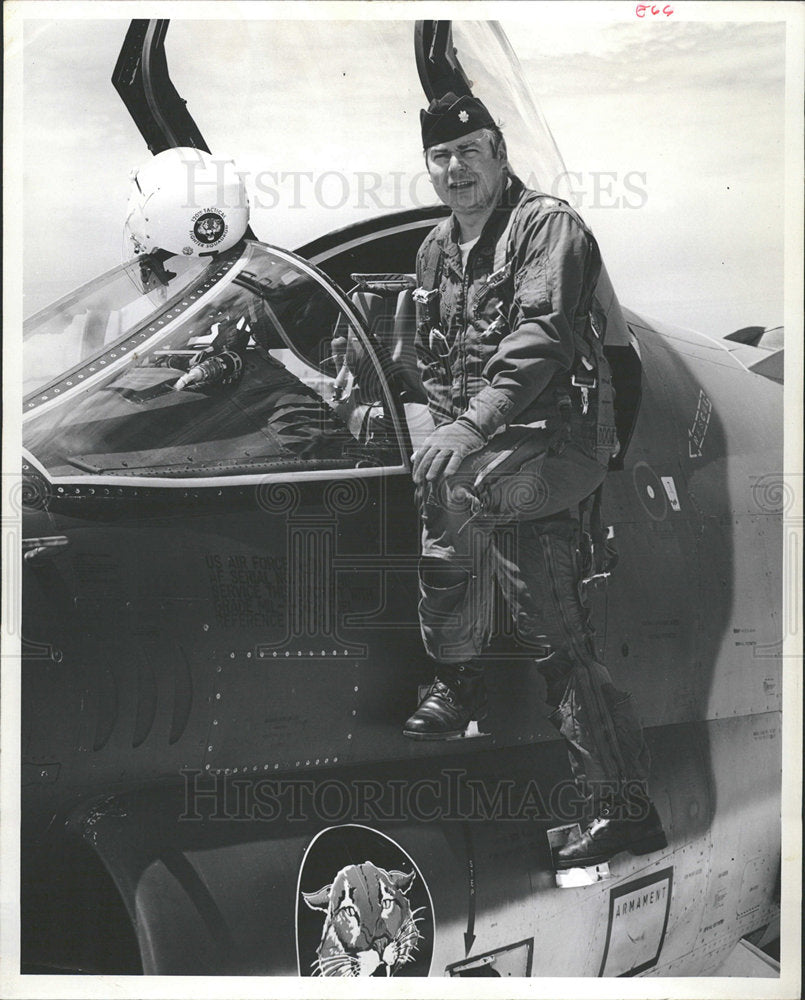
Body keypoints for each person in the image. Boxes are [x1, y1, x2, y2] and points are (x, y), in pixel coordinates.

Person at [402, 92, 667, 869]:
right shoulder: (433, 250)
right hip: (486, 439)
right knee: (440, 535)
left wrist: (468, 427)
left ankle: (621, 808)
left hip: (553, 440)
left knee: (547, 620)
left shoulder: (546, 227)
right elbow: (429, 365)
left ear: (496, 151)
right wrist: (435, 431)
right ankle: (458, 686)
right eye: (440, 157)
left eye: (468, 152)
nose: (454, 169)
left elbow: (539, 339)